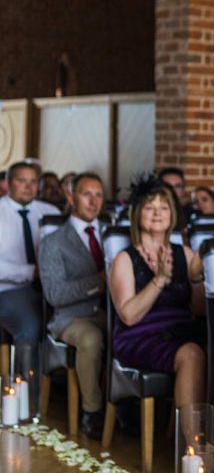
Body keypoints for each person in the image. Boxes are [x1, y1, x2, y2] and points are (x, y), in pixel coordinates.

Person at [109, 176, 206, 408]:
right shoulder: (125, 258)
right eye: (150, 207)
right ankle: (191, 442)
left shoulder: (185, 253)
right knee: (192, 354)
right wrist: (160, 279)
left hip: (181, 331)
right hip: (140, 336)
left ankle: (205, 431)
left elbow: (199, 309)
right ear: (137, 214)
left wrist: (194, 278)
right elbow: (129, 316)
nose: (157, 213)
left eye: (164, 207)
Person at [39, 172, 108, 439]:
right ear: (71, 196)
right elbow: (55, 294)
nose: (93, 201)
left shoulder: (113, 234)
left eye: (99, 195)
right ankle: (92, 410)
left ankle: (124, 405)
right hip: (71, 318)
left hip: (113, 313)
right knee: (91, 339)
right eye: (86, 194)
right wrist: (98, 282)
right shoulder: (53, 241)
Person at [0, 161, 60, 377]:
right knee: (30, 325)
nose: (28, 186)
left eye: (33, 181)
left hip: (50, 289)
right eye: (21, 181)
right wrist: (31, 272)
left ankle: (56, 386)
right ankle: (24, 395)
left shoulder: (50, 212)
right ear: (8, 183)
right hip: (7, 291)